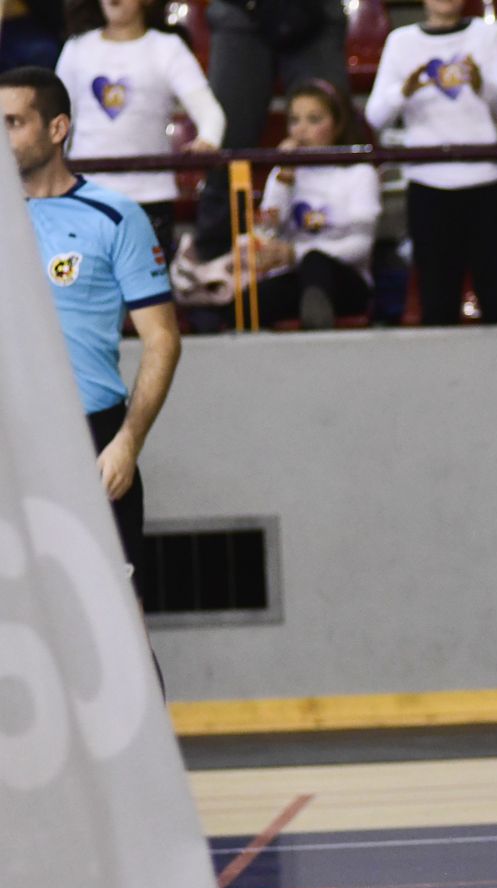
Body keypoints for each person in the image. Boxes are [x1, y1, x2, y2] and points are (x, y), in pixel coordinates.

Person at [4, 65, 179, 571]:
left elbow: (162, 339)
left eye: (13, 123)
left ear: (57, 128)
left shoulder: (116, 217)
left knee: (116, 610)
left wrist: (128, 441)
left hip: (91, 437)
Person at [366, 0, 497, 326]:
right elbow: (375, 116)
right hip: (429, 184)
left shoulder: (488, 34)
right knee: (437, 303)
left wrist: (481, 84)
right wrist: (403, 91)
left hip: (487, 181)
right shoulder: (400, 41)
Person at [55, 0, 225, 263]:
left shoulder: (167, 48)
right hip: (85, 196)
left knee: (147, 287)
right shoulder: (77, 48)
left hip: (150, 198)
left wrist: (207, 141)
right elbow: (57, 119)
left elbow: (211, 114)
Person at [187, 0, 348, 265]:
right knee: (227, 146)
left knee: (329, 137)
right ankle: (213, 269)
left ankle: (335, 264)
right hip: (239, 10)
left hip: (315, 11)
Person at [255, 80, 378, 329]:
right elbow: (267, 231)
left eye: (314, 119)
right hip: (296, 276)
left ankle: (317, 324)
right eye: (294, 120)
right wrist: (284, 180)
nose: (301, 130)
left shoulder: (360, 173)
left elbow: (361, 247)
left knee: (315, 262)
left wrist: (296, 254)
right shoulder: (282, 173)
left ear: (337, 124)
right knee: (250, 302)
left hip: (346, 280)